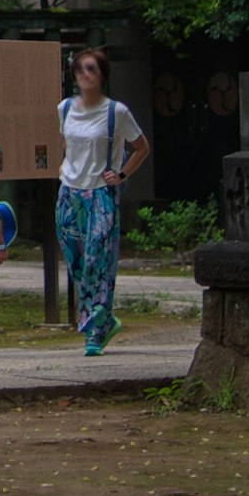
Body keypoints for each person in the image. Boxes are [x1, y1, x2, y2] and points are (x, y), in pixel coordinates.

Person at [57, 47, 151, 354]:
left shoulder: (117, 112)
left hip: (100, 193)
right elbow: (69, 144)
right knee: (76, 261)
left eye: (91, 69)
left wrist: (121, 175)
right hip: (69, 192)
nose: (85, 74)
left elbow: (141, 147)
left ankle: (95, 331)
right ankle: (104, 318)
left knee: (98, 261)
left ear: (102, 76)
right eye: (80, 69)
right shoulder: (65, 109)